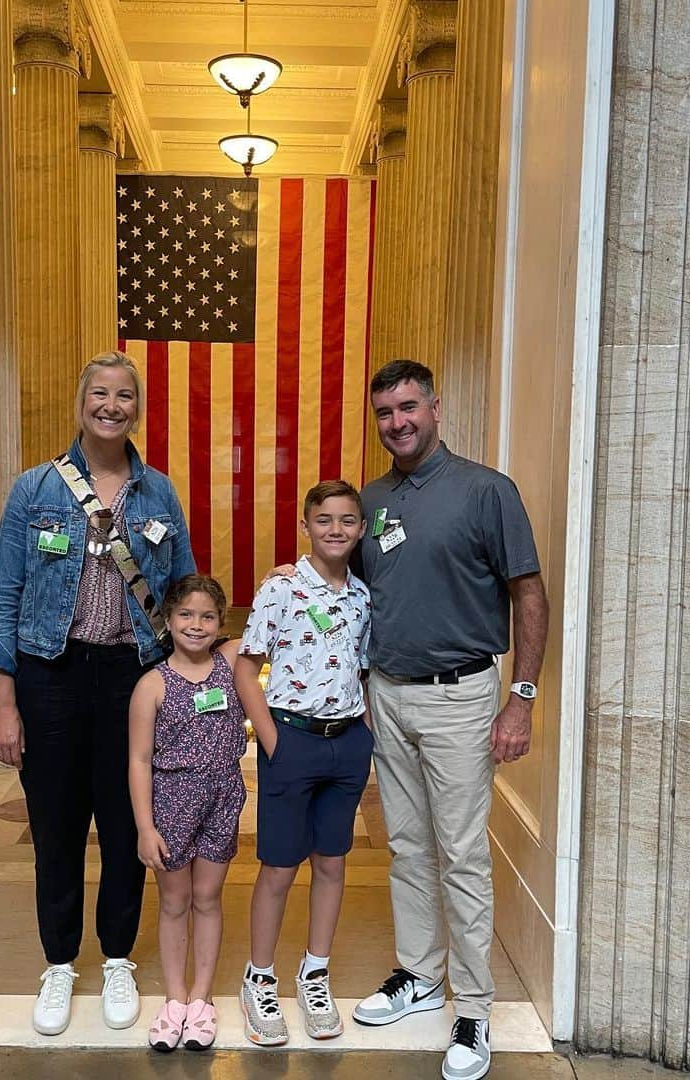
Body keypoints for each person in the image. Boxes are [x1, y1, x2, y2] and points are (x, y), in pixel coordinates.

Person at [0, 351, 196, 1037]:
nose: (111, 405)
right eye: (99, 393)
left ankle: (119, 957)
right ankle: (59, 962)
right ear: (81, 403)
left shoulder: (158, 494)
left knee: (129, 822)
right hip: (51, 675)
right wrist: (3, 702)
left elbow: (185, 591)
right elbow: (5, 598)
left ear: (138, 407)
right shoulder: (34, 490)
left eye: (124, 395)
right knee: (56, 823)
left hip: (134, 678)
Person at [350, 360, 548, 1080]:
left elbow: (529, 595)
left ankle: (473, 1009)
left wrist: (520, 698)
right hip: (389, 693)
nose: (396, 423)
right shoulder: (370, 499)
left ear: (436, 406)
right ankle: (419, 973)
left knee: (461, 853)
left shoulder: (486, 491)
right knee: (407, 846)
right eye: (384, 413)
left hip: (462, 694)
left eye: (408, 408)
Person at [233, 480, 373, 1047]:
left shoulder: (363, 596)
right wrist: (270, 741)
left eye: (346, 520)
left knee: (333, 863)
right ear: (306, 527)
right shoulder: (282, 589)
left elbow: (360, 669)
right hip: (291, 741)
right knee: (280, 867)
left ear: (361, 529)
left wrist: (364, 732)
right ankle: (258, 977)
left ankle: (315, 971)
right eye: (324, 520)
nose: (335, 529)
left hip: (347, 744)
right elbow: (247, 667)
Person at [128, 575, 246, 1052]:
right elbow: (137, 760)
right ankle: (175, 1000)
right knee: (175, 901)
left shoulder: (230, 661)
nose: (196, 625)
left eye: (207, 616)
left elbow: (277, 617)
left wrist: (284, 575)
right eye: (185, 615)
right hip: (171, 802)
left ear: (220, 622)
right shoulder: (152, 684)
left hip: (223, 798)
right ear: (169, 620)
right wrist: (144, 827)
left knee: (208, 897)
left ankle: (202, 998)